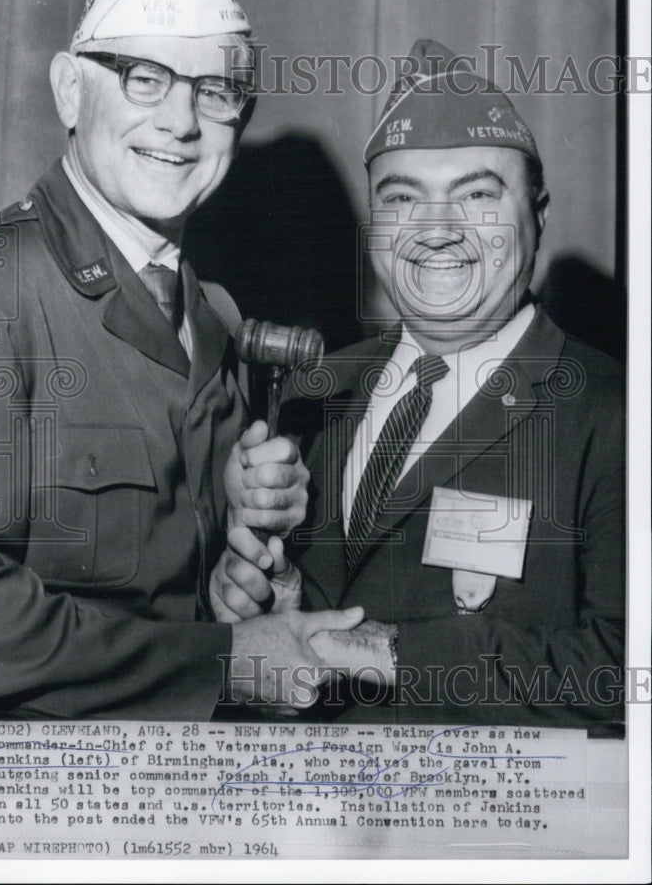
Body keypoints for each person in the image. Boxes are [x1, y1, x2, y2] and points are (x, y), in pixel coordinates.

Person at [0, 0, 363, 721]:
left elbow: (167, 587)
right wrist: (224, 661)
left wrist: (226, 594)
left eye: (213, 91)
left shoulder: (213, 313)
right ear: (72, 89)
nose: (181, 121)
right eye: (145, 77)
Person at [210, 39, 625, 735]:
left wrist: (393, 652)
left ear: (538, 215)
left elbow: (625, 668)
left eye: (477, 195)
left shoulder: (610, 414)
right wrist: (260, 599)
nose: (435, 230)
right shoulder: (314, 391)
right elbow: (307, 611)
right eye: (403, 198)